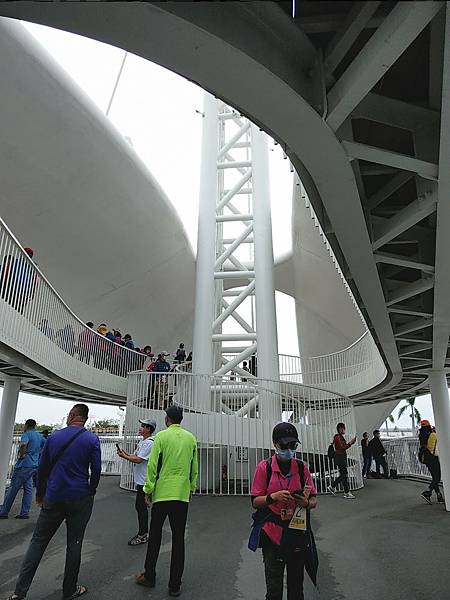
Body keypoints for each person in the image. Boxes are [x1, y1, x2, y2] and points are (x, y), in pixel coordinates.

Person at [5, 403, 101, 600]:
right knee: (74, 543)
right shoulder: (92, 439)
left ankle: (19, 592)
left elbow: (43, 468)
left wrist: (41, 493)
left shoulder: (54, 437)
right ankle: (69, 590)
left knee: (38, 542)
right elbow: (97, 470)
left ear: (73, 415)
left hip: (54, 496)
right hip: (79, 497)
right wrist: (90, 491)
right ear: (85, 418)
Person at [249, 422, 318, 600]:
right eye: (284, 445)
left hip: (296, 532)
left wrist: (305, 502)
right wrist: (273, 497)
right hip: (272, 533)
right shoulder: (264, 468)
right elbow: (255, 502)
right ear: (274, 444)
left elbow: (314, 500)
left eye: (293, 445)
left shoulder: (302, 468)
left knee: (296, 587)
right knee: (274, 588)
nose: (289, 450)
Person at [136, 405, 198, 597]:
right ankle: (175, 584)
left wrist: (148, 489)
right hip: (181, 494)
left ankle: (150, 575)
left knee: (155, 536)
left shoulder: (161, 437)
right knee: (178, 539)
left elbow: (153, 466)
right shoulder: (191, 438)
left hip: (162, 494)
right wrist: (191, 488)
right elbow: (193, 468)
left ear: (167, 419)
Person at [117, 418, 156, 545]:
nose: (140, 428)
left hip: (144, 481)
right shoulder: (143, 442)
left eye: (143, 426)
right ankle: (144, 533)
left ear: (149, 429)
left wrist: (124, 457)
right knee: (141, 507)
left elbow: (139, 460)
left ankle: (143, 534)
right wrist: (125, 453)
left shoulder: (149, 443)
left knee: (141, 508)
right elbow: (135, 456)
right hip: (141, 481)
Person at [0, 420, 43, 520]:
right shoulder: (39, 436)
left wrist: (22, 455)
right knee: (28, 489)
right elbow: (44, 446)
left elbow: (23, 444)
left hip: (23, 465)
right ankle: (24, 512)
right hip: (33, 465)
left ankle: (4, 511)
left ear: (27, 425)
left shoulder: (26, 434)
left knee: (13, 488)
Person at [327, 422, 356, 499]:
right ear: (340, 429)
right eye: (343, 428)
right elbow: (342, 447)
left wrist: (350, 443)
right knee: (344, 474)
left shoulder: (339, 437)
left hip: (340, 457)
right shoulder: (337, 437)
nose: (344, 430)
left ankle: (333, 487)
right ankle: (345, 491)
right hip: (340, 457)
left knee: (343, 474)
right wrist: (350, 443)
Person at [418, 420, 444, 504]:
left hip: (425, 457)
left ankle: (439, 496)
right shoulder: (431, 434)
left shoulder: (421, 434)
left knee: (434, 476)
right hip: (432, 457)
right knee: (437, 477)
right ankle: (428, 492)